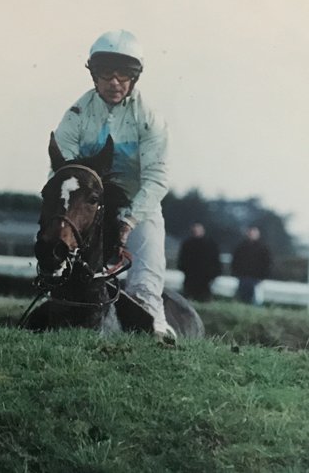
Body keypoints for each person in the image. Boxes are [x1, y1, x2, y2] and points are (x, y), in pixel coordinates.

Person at [53, 29, 174, 339]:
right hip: (88, 210)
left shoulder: (150, 118)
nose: (115, 83)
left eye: (124, 75)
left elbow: (157, 178)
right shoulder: (75, 115)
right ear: (94, 75)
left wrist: (129, 221)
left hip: (138, 209)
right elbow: (62, 172)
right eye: (106, 74)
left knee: (145, 285)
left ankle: (156, 328)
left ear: (134, 78)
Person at [177, 222, 221, 302]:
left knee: (203, 296)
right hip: (191, 275)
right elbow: (182, 259)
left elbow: (215, 260)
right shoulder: (188, 244)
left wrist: (214, 272)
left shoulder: (210, 244)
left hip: (205, 276)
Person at [231, 226, 271, 305]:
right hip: (243, 276)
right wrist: (236, 273)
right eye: (251, 233)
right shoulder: (241, 247)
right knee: (243, 296)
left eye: (254, 233)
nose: (252, 235)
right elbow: (236, 260)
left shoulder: (263, 248)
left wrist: (263, 276)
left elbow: (267, 263)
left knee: (255, 298)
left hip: (256, 278)